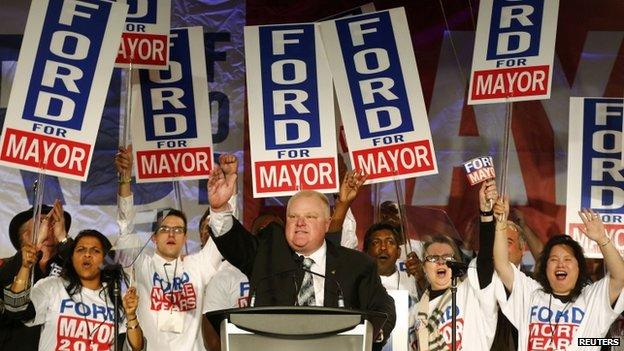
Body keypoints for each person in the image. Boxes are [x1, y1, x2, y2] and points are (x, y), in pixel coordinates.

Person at [207, 156, 396, 350]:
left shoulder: (356, 265)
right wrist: (220, 208)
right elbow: (233, 242)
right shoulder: (267, 253)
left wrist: (370, 336)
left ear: (327, 223)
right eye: (293, 216)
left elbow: (384, 307)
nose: (300, 223)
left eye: (310, 216)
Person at [114, 145, 222, 351]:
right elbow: (125, 228)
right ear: (154, 237)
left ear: (185, 238)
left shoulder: (198, 265)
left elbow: (220, 237)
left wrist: (220, 205)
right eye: (164, 229)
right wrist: (125, 180)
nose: (171, 234)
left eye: (178, 230)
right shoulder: (141, 265)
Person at [493, 199, 624, 351]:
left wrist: (602, 239)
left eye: (568, 259)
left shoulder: (592, 298)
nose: (561, 264)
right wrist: (501, 223)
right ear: (545, 267)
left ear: (579, 268)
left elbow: (620, 277)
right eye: (554, 259)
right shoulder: (530, 294)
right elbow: (502, 265)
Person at [3, 227, 144, 351]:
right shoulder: (53, 286)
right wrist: (25, 268)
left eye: (95, 251)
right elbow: (16, 309)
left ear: (105, 261)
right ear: (71, 258)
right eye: (81, 250)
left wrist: (131, 316)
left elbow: (136, 347)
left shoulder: (116, 296)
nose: (87, 254)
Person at [410, 179, 500, 351]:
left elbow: (485, 258)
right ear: (423, 267)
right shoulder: (417, 312)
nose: (441, 262)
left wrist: (486, 214)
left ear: (457, 263)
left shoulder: (472, 289)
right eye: (434, 258)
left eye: (447, 257)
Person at [0, 200, 72, 350]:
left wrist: (65, 241)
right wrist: (36, 244)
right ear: (24, 235)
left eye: (55, 221)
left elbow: (92, 278)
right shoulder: (6, 265)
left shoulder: (69, 269)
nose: (50, 225)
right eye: (43, 221)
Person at [364, 222, 421, 302]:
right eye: (376, 242)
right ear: (365, 252)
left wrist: (422, 279)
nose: (383, 247)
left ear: (399, 252)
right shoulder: (357, 282)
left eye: (390, 242)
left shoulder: (411, 277)